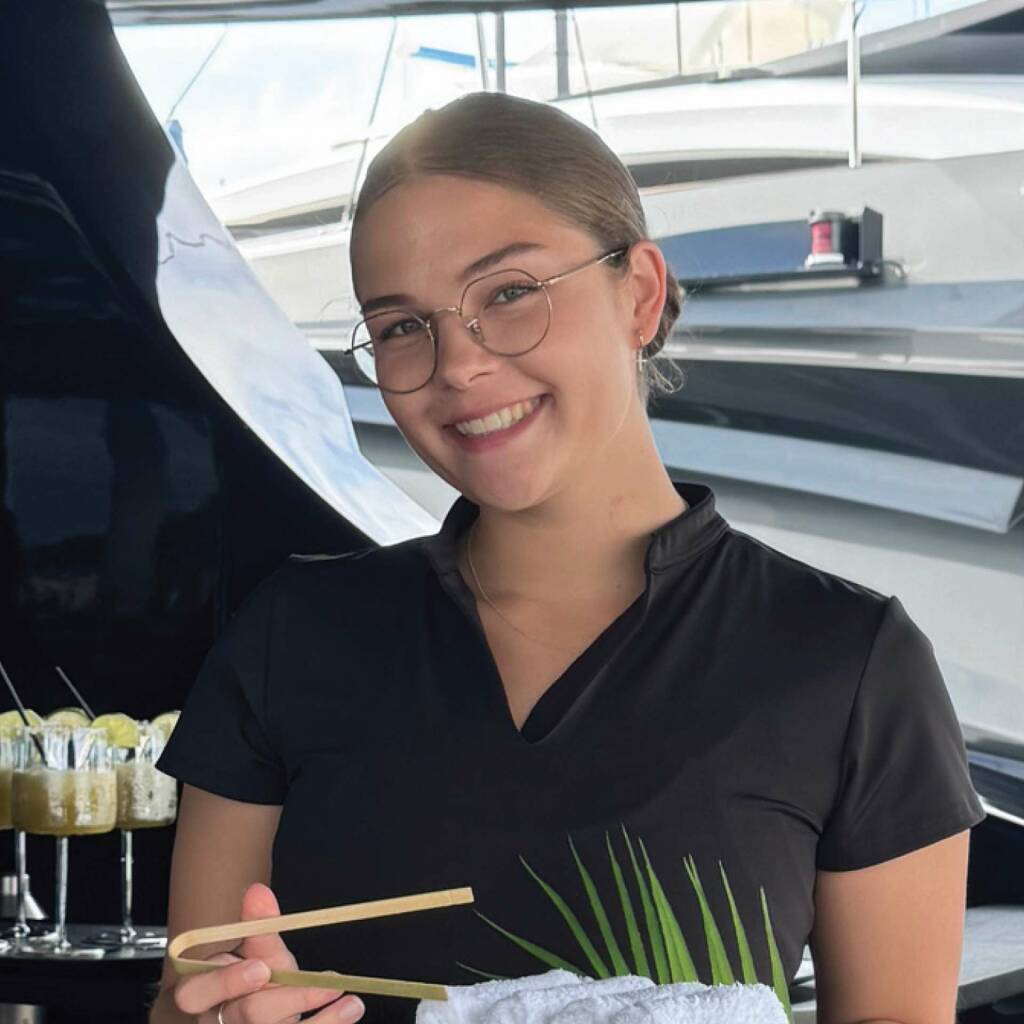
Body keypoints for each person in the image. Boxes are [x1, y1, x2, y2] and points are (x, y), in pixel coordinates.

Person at [149, 91, 985, 1024]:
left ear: (640, 294)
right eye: (400, 327)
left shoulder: (850, 663)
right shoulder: (291, 640)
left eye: (509, 294)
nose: (457, 364)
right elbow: (192, 997)